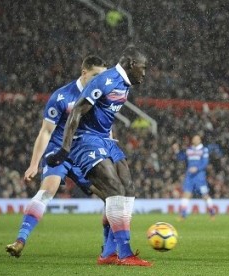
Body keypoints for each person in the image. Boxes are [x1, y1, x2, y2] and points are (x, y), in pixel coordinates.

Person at [45, 45, 152, 267]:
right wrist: (65, 149)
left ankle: (108, 253)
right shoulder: (106, 81)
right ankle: (125, 253)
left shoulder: (125, 84)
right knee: (114, 187)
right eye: (143, 68)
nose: (145, 73)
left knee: (127, 186)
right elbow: (76, 111)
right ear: (131, 65)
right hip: (85, 140)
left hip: (105, 139)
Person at [6, 55, 108, 258]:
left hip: (85, 153)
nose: (100, 81)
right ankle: (20, 240)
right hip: (58, 151)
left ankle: (108, 248)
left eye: (102, 77)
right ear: (84, 73)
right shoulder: (62, 97)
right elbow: (45, 132)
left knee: (110, 196)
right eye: (96, 75)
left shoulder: (101, 97)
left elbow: (106, 129)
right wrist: (34, 164)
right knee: (48, 189)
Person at [172, 135, 216, 221]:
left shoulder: (204, 150)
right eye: (194, 139)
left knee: (205, 195)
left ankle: (212, 213)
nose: (195, 140)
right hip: (190, 177)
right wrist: (177, 150)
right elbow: (181, 158)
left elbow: (205, 163)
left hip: (200, 177)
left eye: (197, 139)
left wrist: (197, 168)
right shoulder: (189, 150)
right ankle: (182, 215)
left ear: (200, 140)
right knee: (186, 195)